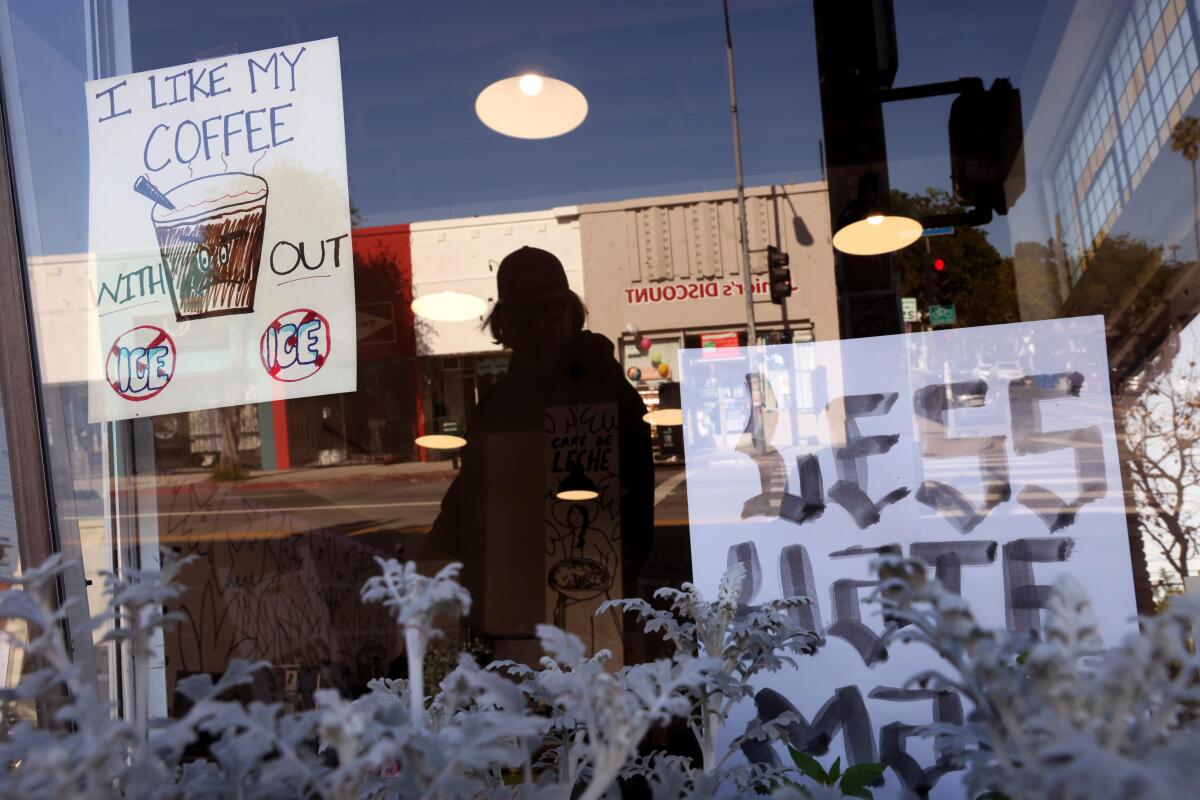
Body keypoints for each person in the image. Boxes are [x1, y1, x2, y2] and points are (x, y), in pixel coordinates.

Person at [424, 246, 653, 664]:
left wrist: (622, 591)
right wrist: (429, 566)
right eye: (519, 315)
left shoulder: (607, 393)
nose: (534, 327)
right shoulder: (497, 404)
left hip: (592, 612)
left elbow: (636, 511)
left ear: (570, 313)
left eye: (547, 310)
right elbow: (469, 500)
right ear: (503, 326)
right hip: (512, 617)